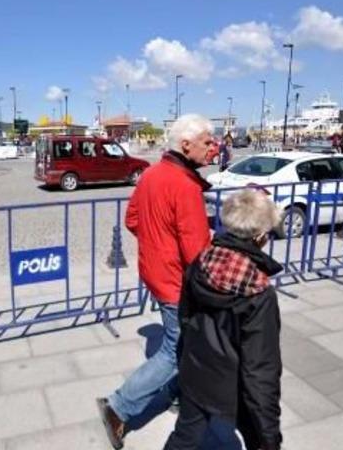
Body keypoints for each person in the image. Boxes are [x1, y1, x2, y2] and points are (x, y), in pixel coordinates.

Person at [97, 114, 215, 450]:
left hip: (155, 271)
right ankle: (117, 407)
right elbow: (197, 252)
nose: (212, 148)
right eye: (207, 142)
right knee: (175, 350)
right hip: (175, 281)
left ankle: (178, 394)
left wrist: (156, 241)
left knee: (184, 341)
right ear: (185, 144)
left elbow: (132, 218)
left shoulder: (150, 173)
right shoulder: (186, 185)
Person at [164, 189, 284, 450]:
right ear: (261, 237)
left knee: (184, 437)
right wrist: (271, 436)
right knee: (257, 437)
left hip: (196, 370)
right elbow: (261, 369)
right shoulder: (259, 292)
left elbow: (185, 317)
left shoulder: (201, 260)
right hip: (235, 384)